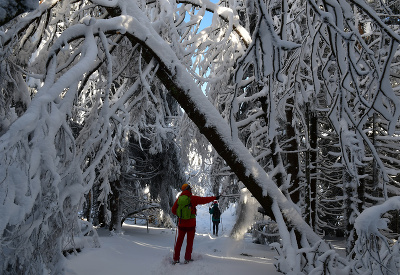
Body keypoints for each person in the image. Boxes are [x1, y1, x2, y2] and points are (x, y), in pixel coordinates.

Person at [171, 183, 219, 264]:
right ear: (188, 189)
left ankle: (176, 259)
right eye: (190, 188)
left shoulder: (179, 199)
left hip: (181, 224)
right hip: (191, 225)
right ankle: (187, 258)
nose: (191, 189)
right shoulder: (192, 198)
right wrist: (214, 198)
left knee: (179, 242)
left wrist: (180, 215)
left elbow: (173, 210)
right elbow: (204, 200)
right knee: (189, 243)